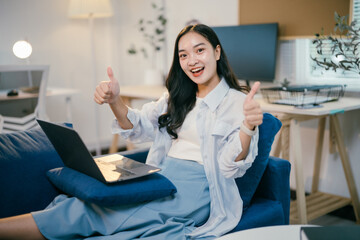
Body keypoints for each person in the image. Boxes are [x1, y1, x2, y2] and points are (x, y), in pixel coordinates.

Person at [0, 24, 263, 240]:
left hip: (197, 189)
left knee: (96, 212)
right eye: (183, 55)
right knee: (85, 204)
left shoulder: (239, 103)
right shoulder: (177, 97)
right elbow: (137, 127)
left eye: (199, 50)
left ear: (217, 52)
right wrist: (115, 100)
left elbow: (230, 166)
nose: (191, 60)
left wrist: (247, 127)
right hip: (162, 177)